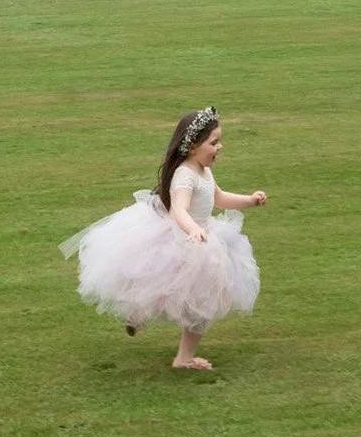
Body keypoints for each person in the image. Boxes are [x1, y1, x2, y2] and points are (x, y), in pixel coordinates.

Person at [59, 105, 264, 370]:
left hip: (203, 237)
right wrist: (193, 229)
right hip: (185, 239)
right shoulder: (184, 176)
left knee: (197, 297)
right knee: (178, 291)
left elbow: (219, 198)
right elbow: (178, 209)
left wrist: (250, 200)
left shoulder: (204, 171)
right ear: (192, 147)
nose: (220, 147)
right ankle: (151, 326)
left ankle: (172, 345)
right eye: (214, 142)